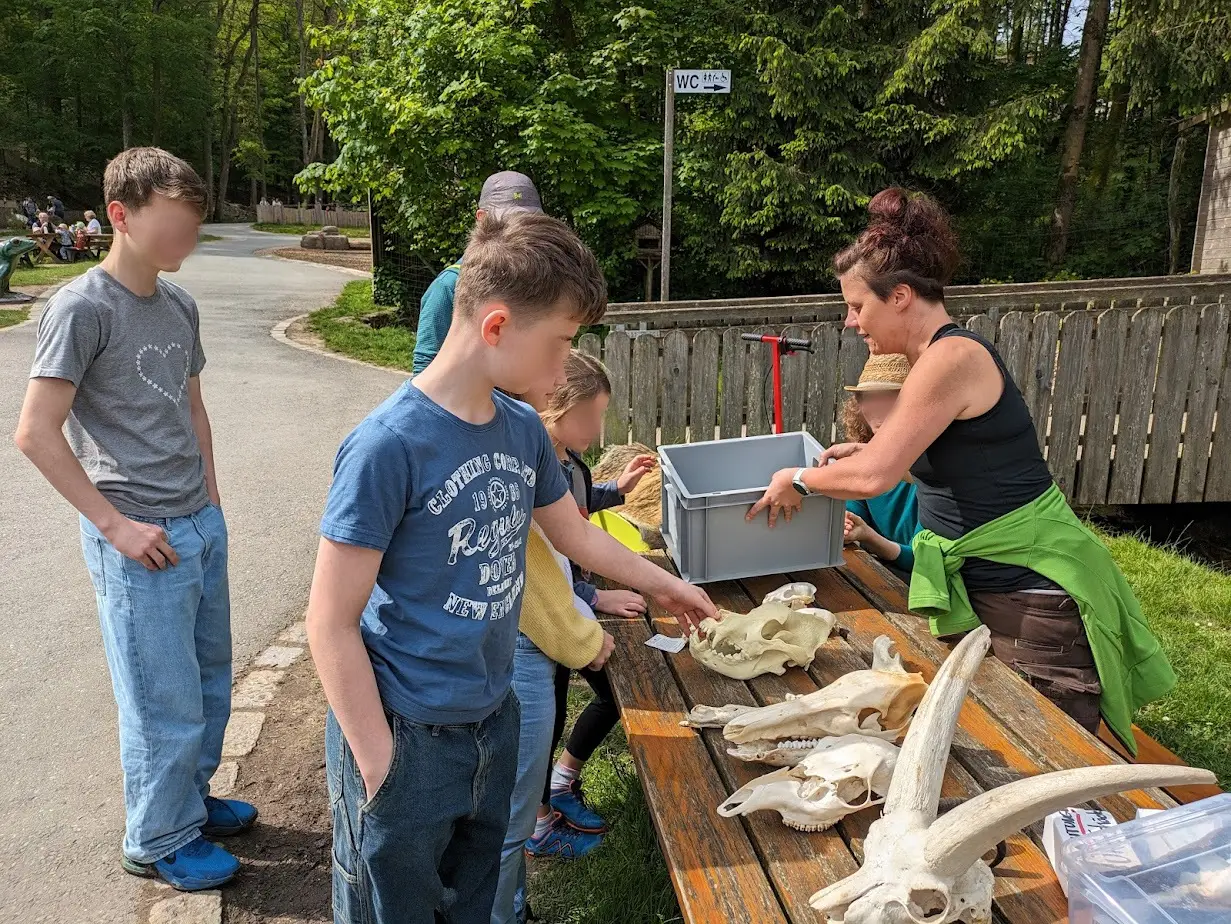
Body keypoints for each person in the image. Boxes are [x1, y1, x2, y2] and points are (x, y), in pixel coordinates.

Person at [306, 210, 715, 924]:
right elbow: (330, 622)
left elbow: (578, 539)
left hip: (493, 717)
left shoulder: (522, 427)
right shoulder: (385, 447)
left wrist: (669, 585)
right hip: (405, 732)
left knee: (471, 900)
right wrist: (380, 769)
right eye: (560, 344)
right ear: (495, 327)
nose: (562, 370)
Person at [747, 187, 1175, 751]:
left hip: (1033, 597)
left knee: (1050, 750)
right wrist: (880, 460)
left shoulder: (952, 357)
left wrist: (795, 480)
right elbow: (955, 466)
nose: (851, 322)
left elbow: (872, 478)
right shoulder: (935, 359)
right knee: (1008, 740)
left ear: (899, 295)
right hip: (1000, 589)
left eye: (857, 306)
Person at [14, 147, 252, 892]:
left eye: (193, 227)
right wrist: (116, 527)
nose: (187, 242)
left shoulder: (179, 304)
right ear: (120, 215)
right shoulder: (80, 307)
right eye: (175, 227)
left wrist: (211, 501)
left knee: (210, 684)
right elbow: (34, 431)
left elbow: (192, 406)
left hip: (194, 525)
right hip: (137, 537)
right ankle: (157, 837)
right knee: (161, 700)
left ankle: (188, 802)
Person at [491, 372, 617, 924]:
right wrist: (585, 637)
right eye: (561, 343)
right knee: (510, 816)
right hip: (525, 646)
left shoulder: (527, 445)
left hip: (531, 642)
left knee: (510, 811)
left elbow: (562, 553)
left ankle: (514, 906)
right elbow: (541, 576)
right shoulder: (524, 445)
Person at [524, 351, 655, 862]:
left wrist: (615, 491)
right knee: (546, 718)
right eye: (593, 416)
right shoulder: (535, 469)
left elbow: (579, 504)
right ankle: (537, 823)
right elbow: (546, 556)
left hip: (569, 607)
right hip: (552, 615)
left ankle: (560, 783)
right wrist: (595, 596)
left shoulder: (567, 463)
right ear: (556, 407)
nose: (600, 429)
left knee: (592, 699)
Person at [412, 171, 543, 374]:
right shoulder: (448, 286)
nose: (520, 230)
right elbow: (425, 366)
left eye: (528, 222)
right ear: (481, 219)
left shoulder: (532, 280)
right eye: (507, 220)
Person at [838, 352, 919, 581]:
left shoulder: (934, 469)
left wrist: (869, 537)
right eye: (868, 397)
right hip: (884, 575)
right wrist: (843, 522)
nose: (875, 406)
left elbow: (923, 559)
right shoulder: (864, 455)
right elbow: (853, 514)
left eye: (889, 396)